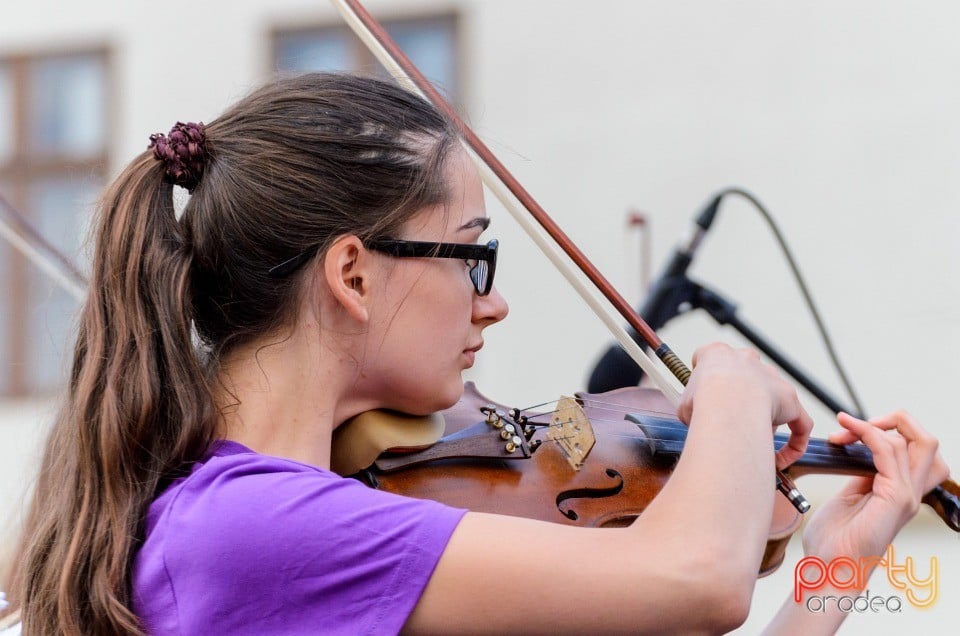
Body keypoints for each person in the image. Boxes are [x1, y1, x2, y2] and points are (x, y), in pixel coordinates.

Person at [2, 72, 949, 635]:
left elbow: (697, 584)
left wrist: (839, 564)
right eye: (473, 253)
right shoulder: (255, 528)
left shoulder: (309, 522)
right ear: (353, 274)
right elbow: (697, 578)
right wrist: (730, 382)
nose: (492, 305)